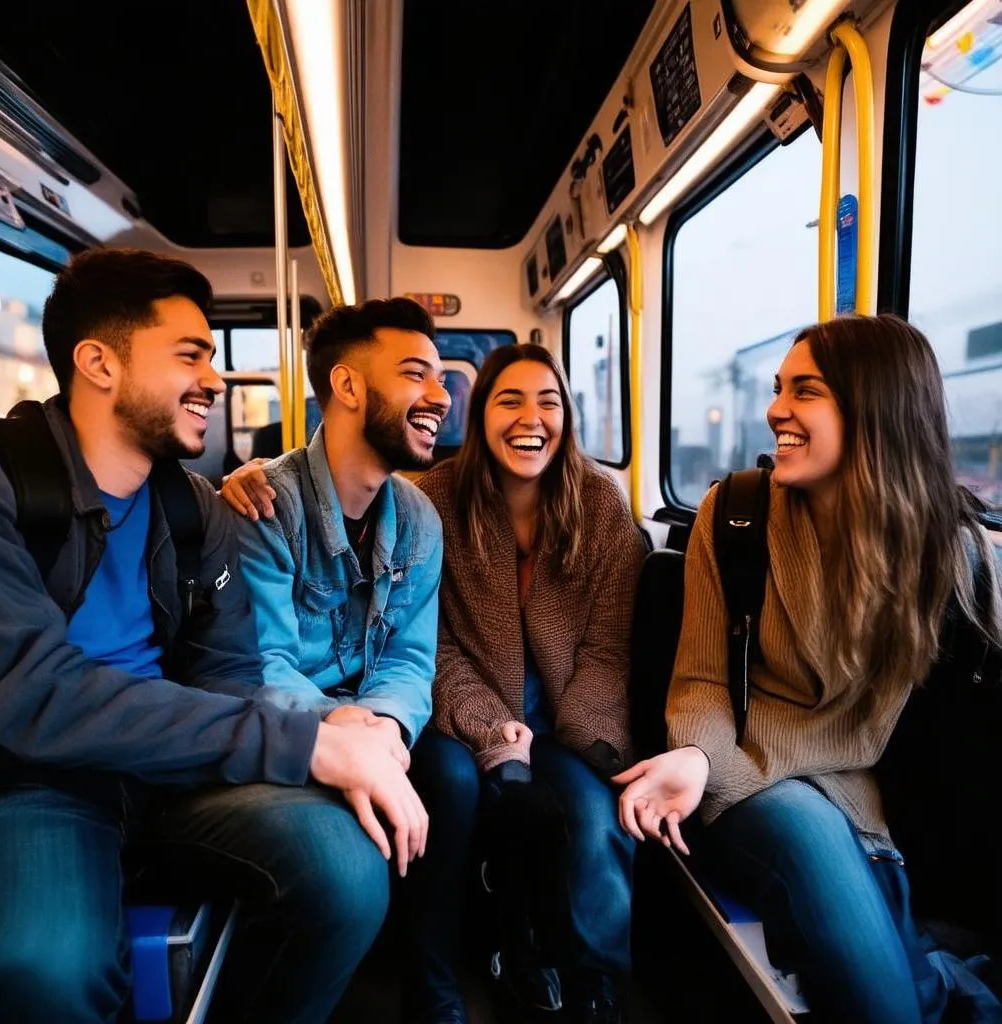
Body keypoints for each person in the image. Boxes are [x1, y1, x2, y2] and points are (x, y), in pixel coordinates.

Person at [0, 248, 426, 1024]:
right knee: (45, 967)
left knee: (347, 872)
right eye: (190, 355)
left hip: (175, 771)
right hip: (43, 776)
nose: (215, 381)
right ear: (98, 363)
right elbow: (36, 691)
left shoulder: (198, 512)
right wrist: (306, 743)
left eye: (213, 357)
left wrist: (332, 724)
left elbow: (227, 672)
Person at [615, 314, 1002, 1022]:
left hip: (861, 785)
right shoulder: (733, 514)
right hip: (736, 767)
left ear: (876, 409)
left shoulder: (949, 547)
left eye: (806, 391)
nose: (775, 410)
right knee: (811, 835)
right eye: (778, 388)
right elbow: (700, 678)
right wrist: (699, 757)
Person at [411, 344, 644, 1024]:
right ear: (480, 415)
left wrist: (579, 743)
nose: (531, 417)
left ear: (567, 417)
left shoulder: (601, 503)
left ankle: (593, 985)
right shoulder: (434, 501)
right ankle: (460, 969)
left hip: (571, 718)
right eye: (509, 400)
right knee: (456, 789)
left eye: (548, 401)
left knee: (597, 820)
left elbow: (608, 649)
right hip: (463, 710)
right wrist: (493, 732)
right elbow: (433, 643)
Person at [221, 297, 450, 760]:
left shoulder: (420, 520)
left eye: (441, 380)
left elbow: (408, 656)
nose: (441, 397)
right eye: (414, 374)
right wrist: (335, 721)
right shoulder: (268, 506)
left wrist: (385, 724)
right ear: (347, 385)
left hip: (374, 717)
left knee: (453, 778)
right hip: (297, 724)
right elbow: (265, 661)